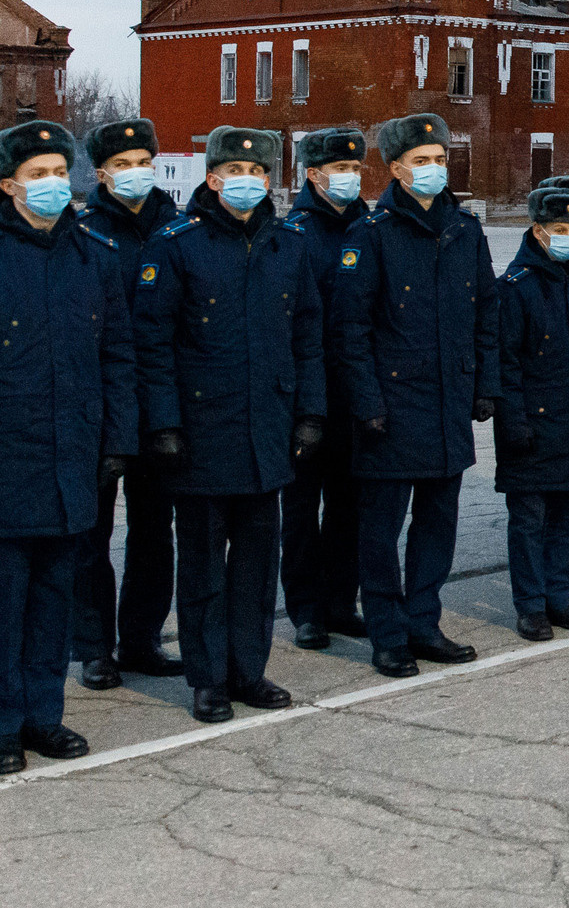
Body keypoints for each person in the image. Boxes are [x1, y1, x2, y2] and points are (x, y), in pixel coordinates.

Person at [0, 119, 138, 774]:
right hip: (0, 464)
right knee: (2, 602)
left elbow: (117, 356)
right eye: (37, 174)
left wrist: (116, 440)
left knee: (54, 597)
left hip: (72, 457)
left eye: (59, 172)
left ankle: (44, 715)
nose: (52, 184)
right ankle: (0, 726)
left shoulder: (95, 254)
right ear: (8, 184)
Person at [135, 126, 326, 722]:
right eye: (236, 172)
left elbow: (308, 337)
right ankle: (208, 679)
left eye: (259, 173)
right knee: (202, 568)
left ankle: (249, 670)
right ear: (213, 178)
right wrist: (164, 424)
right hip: (201, 433)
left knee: (256, 566)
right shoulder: (176, 244)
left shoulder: (288, 244)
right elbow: (152, 344)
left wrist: (310, 413)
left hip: (267, 430)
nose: (249, 182)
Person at [332, 113, 495, 676]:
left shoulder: (465, 230)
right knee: (380, 531)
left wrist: (485, 386)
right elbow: (350, 331)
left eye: (440, 159)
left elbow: (487, 314)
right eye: (421, 160)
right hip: (392, 410)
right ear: (396, 168)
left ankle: (425, 623)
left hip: (449, 404)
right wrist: (367, 404)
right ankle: (387, 634)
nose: (433, 168)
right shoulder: (370, 235)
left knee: (437, 524)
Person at [70, 117, 185, 691]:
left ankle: (142, 637)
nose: (136, 172)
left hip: (162, 402)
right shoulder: (83, 233)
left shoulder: (177, 227)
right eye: (123, 165)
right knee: (90, 533)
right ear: (101, 173)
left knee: (154, 528)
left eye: (144, 162)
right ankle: (94, 646)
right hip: (100, 403)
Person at [492, 186, 569, 641]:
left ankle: (559, 597)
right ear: (538, 230)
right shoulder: (515, 287)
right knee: (530, 522)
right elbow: (504, 363)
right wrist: (514, 421)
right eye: (558, 229)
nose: (568, 237)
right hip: (533, 425)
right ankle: (531, 606)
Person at [280, 127, 369, 650]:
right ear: (314, 174)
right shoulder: (294, 233)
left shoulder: (368, 227)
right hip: (307, 395)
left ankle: (341, 600)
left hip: (354, 392)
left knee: (348, 505)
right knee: (300, 510)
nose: (351, 177)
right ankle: (307, 609)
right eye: (341, 169)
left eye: (356, 169)